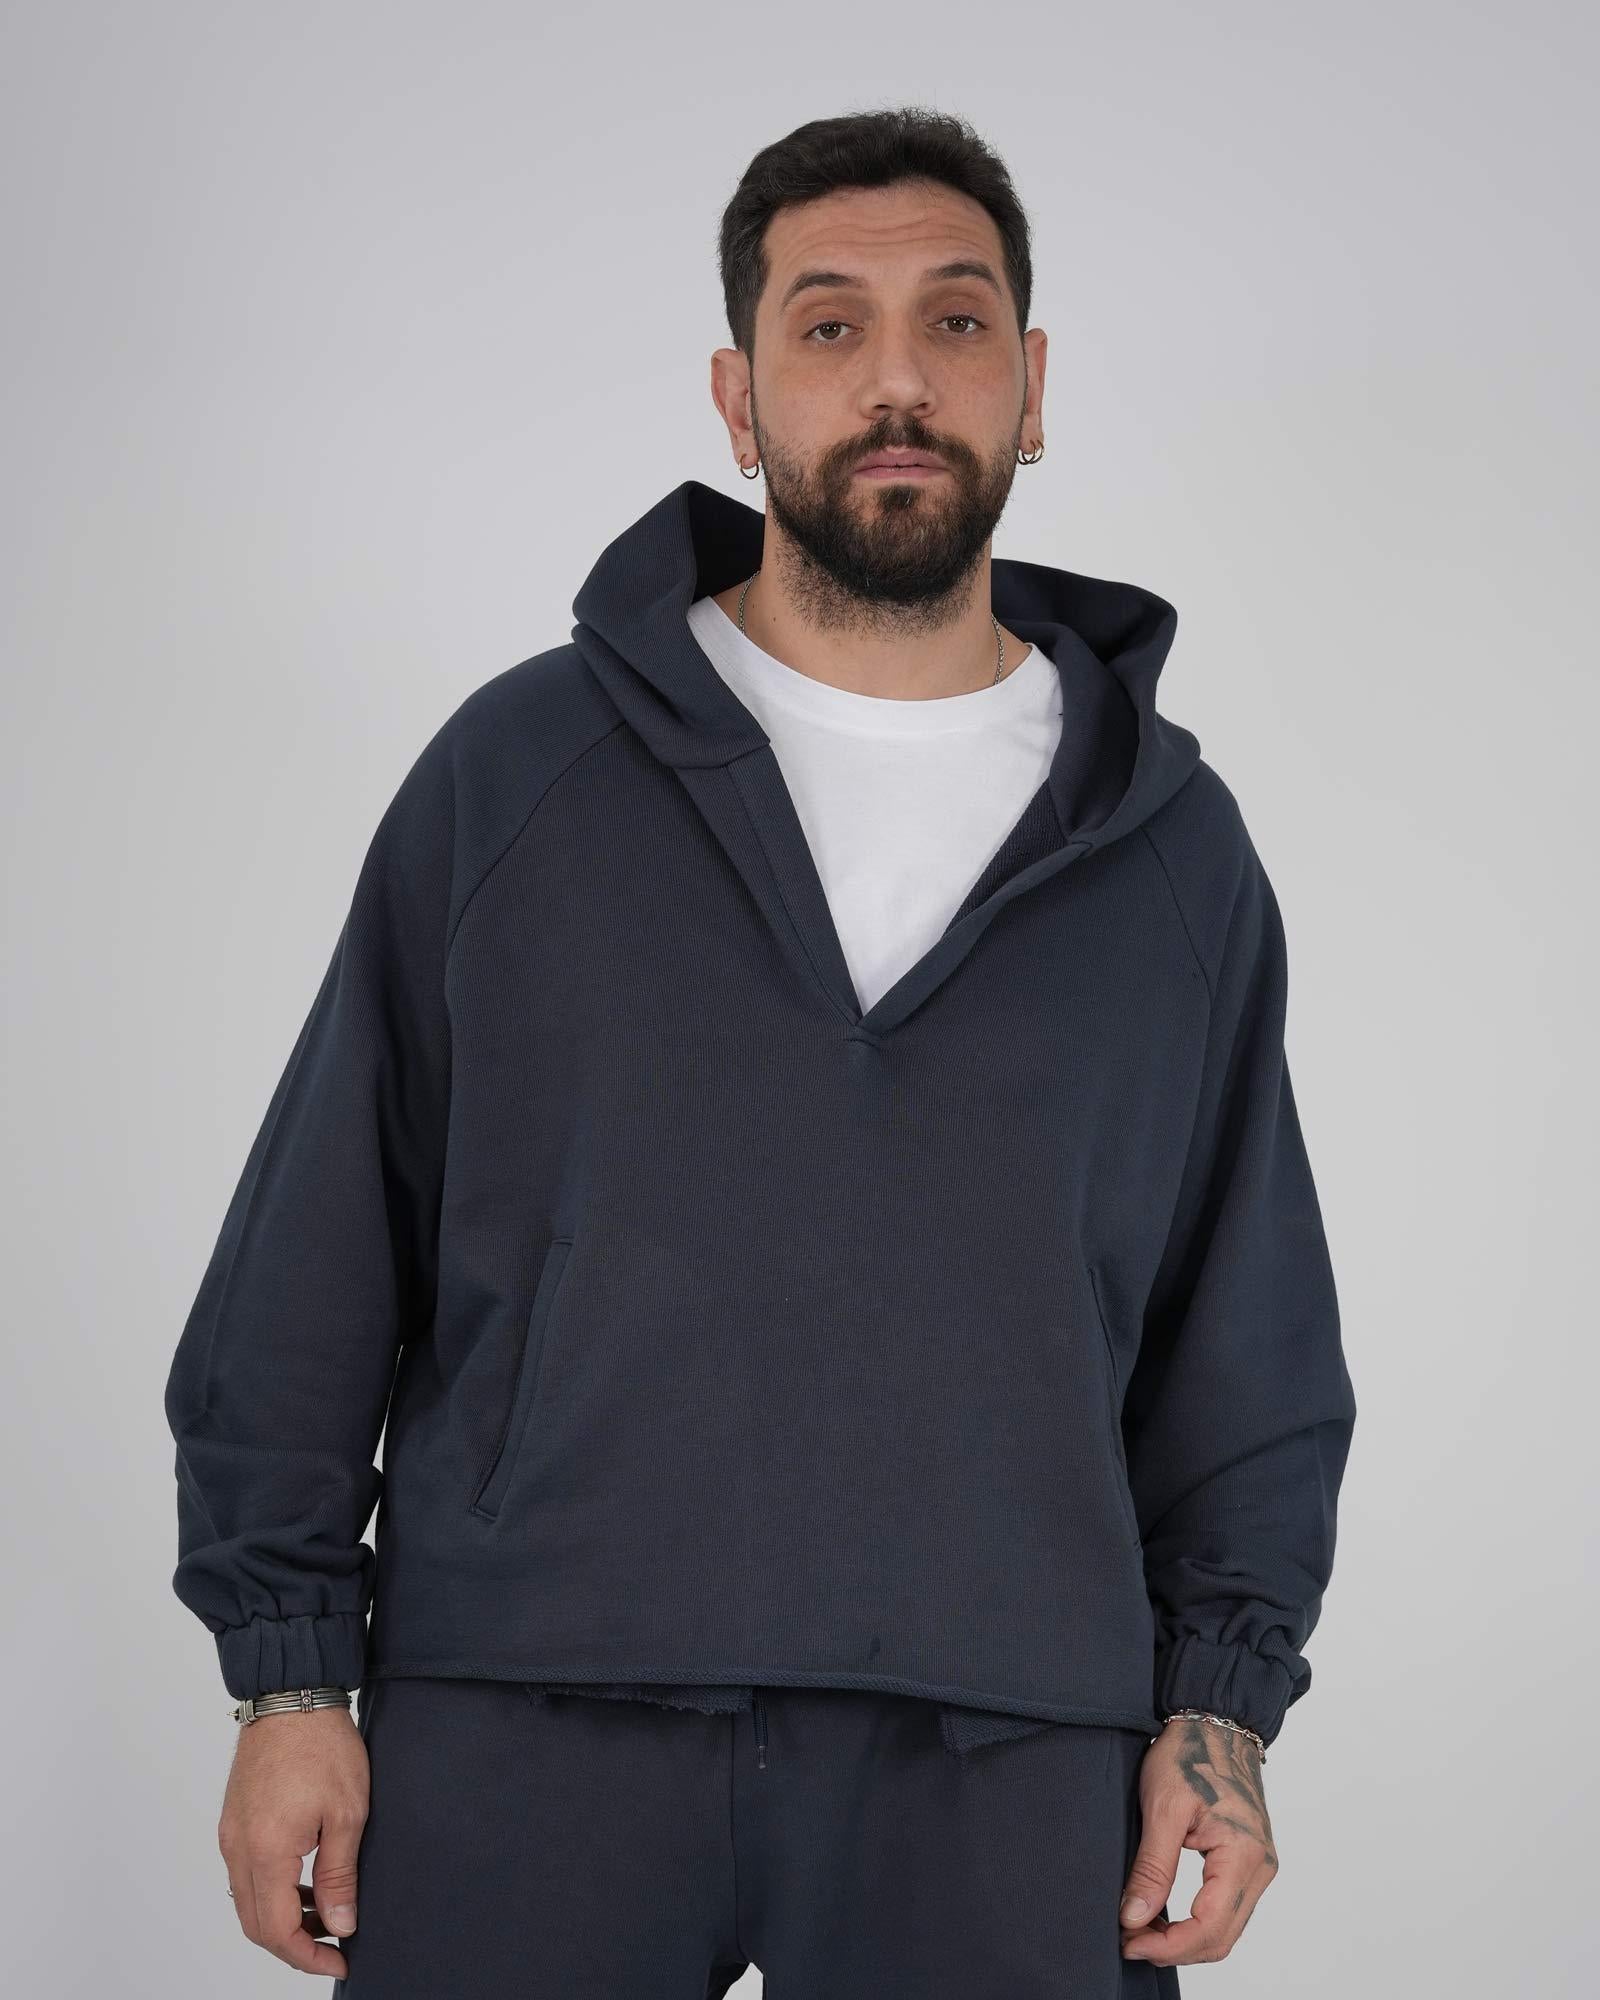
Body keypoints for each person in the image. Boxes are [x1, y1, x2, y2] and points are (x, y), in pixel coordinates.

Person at [163, 105, 1356, 1996]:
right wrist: (288, 1675)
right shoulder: (520, 774)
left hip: (1006, 1738)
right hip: (529, 1705)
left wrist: (1220, 1715)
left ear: (1032, 384)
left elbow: (1250, 1331)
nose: (898, 380)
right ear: (738, 398)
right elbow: (317, 1243)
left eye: (956, 322)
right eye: (828, 326)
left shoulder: (1170, 851)